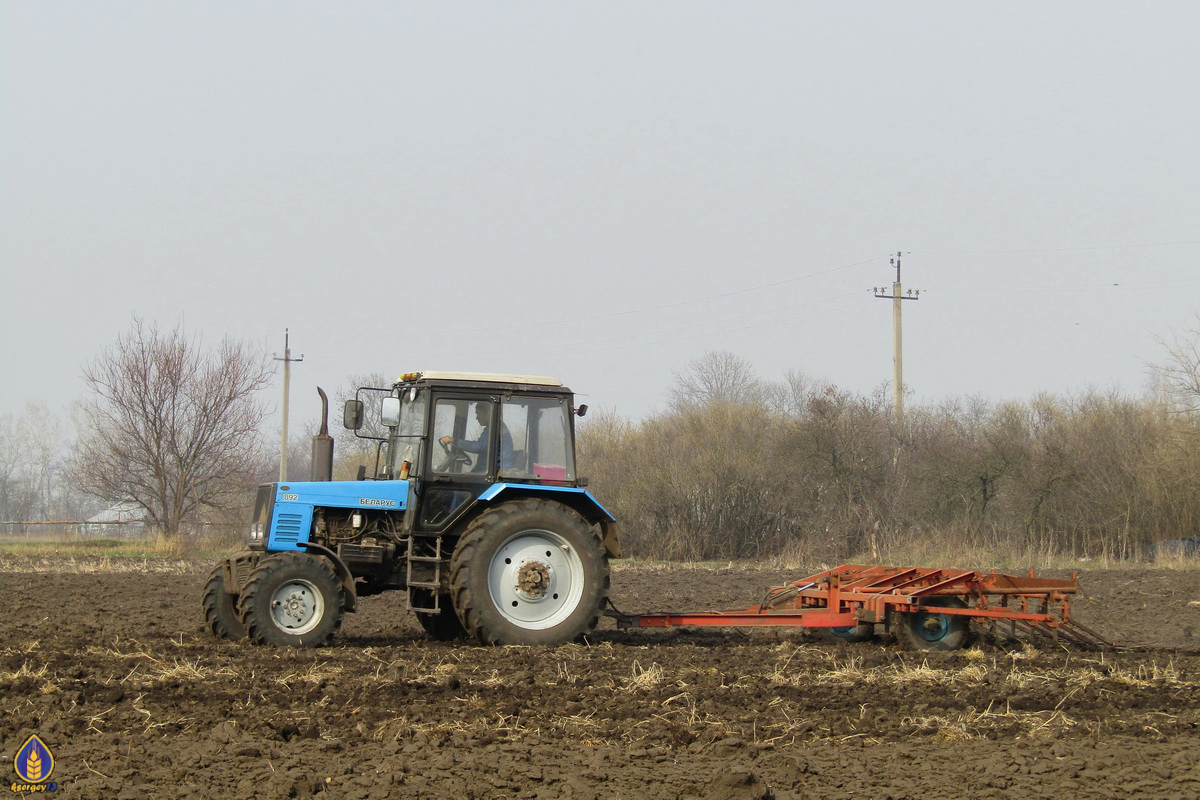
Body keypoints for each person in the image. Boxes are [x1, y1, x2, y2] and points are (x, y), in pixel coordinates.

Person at [440, 402, 515, 471]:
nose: (477, 417)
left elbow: (478, 447)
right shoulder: (494, 427)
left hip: (494, 470)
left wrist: (454, 441)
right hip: (487, 469)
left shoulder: (495, 428)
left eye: (478, 413)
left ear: (488, 413)